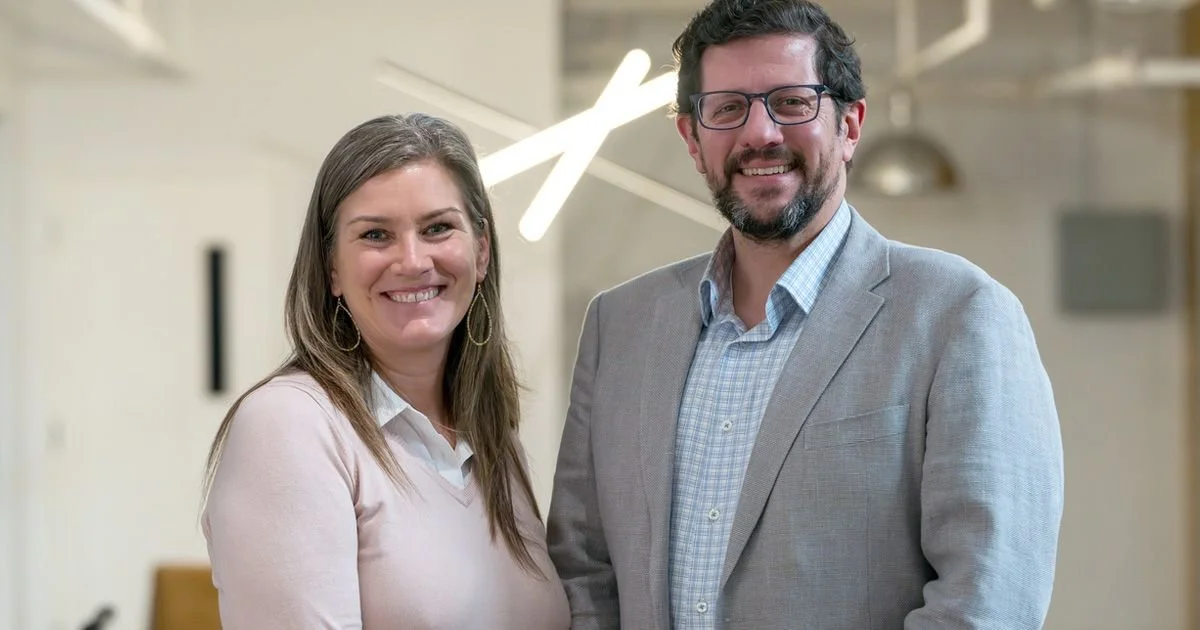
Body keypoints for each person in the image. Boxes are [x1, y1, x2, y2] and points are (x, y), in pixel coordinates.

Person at [546, 1, 1065, 628]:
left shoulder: (958, 315)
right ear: (692, 137)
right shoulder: (619, 326)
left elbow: (987, 599)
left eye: (792, 102)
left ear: (849, 125)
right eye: (727, 108)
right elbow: (583, 572)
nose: (760, 133)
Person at [201, 113, 570, 629]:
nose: (413, 260)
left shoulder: (490, 441)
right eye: (376, 235)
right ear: (331, 267)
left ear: (481, 251)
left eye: (438, 228)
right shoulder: (291, 425)